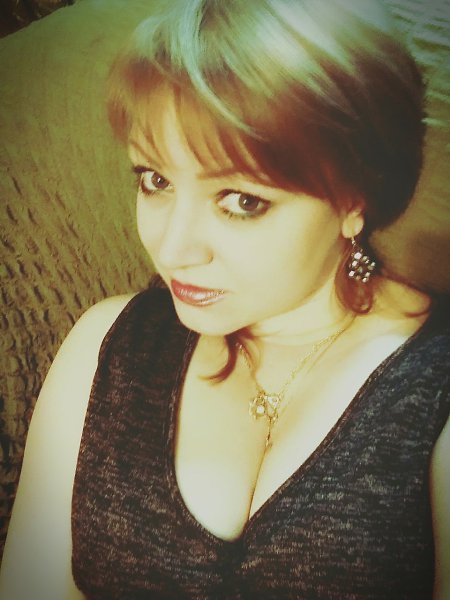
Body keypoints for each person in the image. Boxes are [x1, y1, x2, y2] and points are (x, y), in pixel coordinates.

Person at [1, 0, 449, 598]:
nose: (172, 249)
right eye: (155, 180)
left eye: (242, 200)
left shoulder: (433, 387)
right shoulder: (101, 347)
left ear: (353, 198)